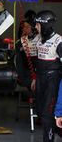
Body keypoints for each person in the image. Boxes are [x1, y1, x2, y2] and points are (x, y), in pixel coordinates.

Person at [34, 10, 62, 142]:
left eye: (38, 24)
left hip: (52, 81)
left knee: (47, 115)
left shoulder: (59, 41)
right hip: (40, 79)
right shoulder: (39, 39)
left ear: (45, 25)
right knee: (40, 111)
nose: (35, 27)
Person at [15, 10, 40, 91]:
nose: (24, 29)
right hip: (27, 75)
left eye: (27, 27)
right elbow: (19, 64)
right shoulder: (20, 43)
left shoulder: (41, 40)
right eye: (23, 27)